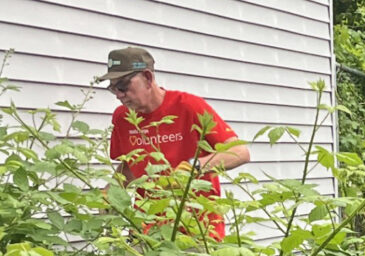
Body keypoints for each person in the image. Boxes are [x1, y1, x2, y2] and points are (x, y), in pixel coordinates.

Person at [97, 46, 251, 240]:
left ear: (147, 77)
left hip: (197, 226)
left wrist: (193, 167)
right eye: (113, 89)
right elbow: (130, 166)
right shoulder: (122, 118)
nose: (119, 95)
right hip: (147, 228)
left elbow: (240, 152)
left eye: (123, 86)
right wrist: (110, 192)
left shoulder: (188, 106)